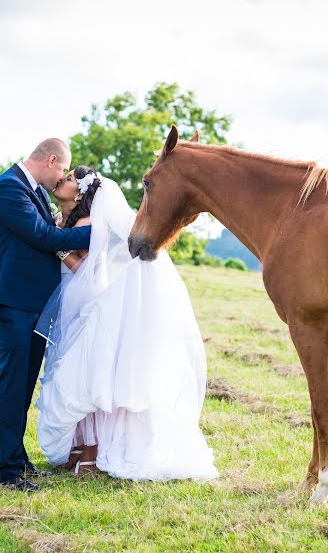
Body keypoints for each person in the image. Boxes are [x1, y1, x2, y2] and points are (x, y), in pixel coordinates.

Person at [36, 166, 219, 482]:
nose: (61, 179)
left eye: (68, 178)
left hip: (85, 298)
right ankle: (79, 450)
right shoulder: (64, 219)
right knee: (78, 371)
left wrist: (59, 248)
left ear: (80, 192)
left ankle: (91, 452)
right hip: (68, 300)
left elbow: (83, 268)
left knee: (85, 376)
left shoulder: (87, 222)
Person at [0, 138, 91, 491]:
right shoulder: (8, 189)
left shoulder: (34, 192)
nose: (61, 179)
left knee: (24, 384)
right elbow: (43, 236)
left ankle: (20, 461)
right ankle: (10, 471)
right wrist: (99, 230)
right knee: (12, 384)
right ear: (52, 160)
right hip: (11, 302)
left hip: (33, 305)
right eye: (61, 171)